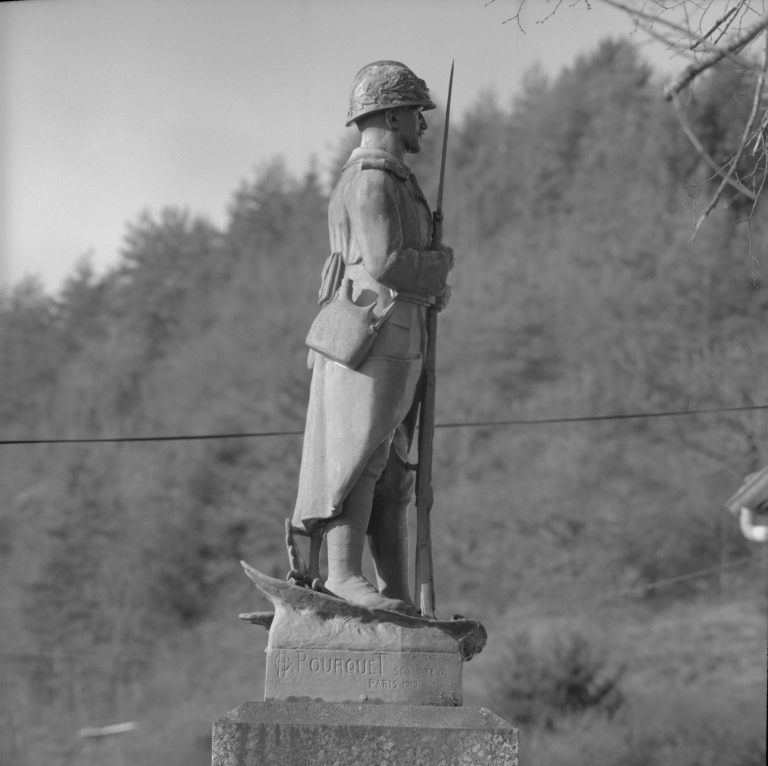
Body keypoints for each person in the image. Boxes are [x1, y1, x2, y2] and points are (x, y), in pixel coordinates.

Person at [292, 61, 454, 613]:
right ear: (389, 113)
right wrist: (437, 266)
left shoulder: (391, 180)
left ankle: (393, 591)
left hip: (393, 331)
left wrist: (430, 284)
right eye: (415, 112)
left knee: (387, 461)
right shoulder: (371, 181)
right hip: (372, 334)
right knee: (359, 454)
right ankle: (341, 574)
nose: (423, 126)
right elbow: (385, 264)